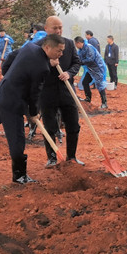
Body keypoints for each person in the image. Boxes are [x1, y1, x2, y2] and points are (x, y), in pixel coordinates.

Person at [0, 34, 67, 184]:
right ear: (48, 47)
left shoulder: (29, 47)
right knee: (17, 138)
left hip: (3, 91)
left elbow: (10, 58)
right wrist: (33, 113)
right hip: (13, 102)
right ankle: (19, 175)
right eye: (59, 51)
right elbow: (34, 93)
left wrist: (8, 75)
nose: (61, 54)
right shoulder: (43, 68)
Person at [38, 17, 83, 168]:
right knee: (49, 126)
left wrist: (69, 73)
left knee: (73, 125)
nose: (58, 31)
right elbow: (32, 66)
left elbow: (77, 62)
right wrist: (47, 63)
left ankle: (72, 157)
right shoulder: (38, 46)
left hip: (67, 91)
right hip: (47, 92)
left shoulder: (69, 44)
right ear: (46, 29)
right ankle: (51, 158)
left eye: (60, 27)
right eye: (55, 28)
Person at [74, 36, 108, 110]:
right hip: (90, 70)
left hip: (97, 68)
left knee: (100, 84)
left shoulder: (89, 48)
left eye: (75, 44)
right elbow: (78, 59)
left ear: (78, 43)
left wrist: (81, 62)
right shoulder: (80, 50)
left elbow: (91, 59)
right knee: (85, 82)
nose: (75, 46)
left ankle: (104, 103)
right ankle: (88, 99)